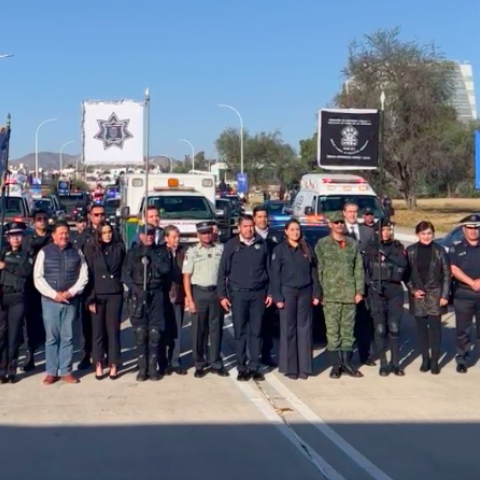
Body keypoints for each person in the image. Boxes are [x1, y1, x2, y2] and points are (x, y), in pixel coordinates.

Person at [217, 215, 273, 382]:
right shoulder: (231, 246)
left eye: (251, 226)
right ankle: (242, 367)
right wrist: (222, 295)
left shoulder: (261, 244)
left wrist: (270, 293)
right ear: (239, 228)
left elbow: (269, 271)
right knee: (240, 332)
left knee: (256, 332)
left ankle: (255, 366)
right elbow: (222, 272)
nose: (249, 229)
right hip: (238, 294)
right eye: (246, 226)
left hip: (258, 294)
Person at [33, 221, 89, 384]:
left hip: (70, 300)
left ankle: (65, 370)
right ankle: (51, 371)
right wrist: (53, 294)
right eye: (61, 233)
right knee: (51, 337)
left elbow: (83, 275)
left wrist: (70, 292)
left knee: (68, 336)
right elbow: (38, 277)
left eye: (66, 233)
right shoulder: (44, 252)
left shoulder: (76, 251)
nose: (64, 236)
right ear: (54, 236)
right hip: (50, 301)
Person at [315, 211, 364, 379]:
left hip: (349, 295)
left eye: (341, 222)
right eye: (336, 223)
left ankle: (347, 364)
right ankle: (335, 365)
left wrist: (359, 291)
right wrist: (320, 292)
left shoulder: (352, 244)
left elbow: (358, 268)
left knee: (348, 332)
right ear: (330, 225)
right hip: (330, 296)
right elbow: (319, 269)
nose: (339, 225)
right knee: (332, 332)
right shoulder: (322, 244)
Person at [271, 219, 322, 380]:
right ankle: (290, 368)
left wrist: (316, 293)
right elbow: (275, 275)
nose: (295, 232)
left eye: (297, 229)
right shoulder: (280, 250)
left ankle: (304, 368)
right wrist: (277, 296)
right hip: (288, 293)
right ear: (286, 232)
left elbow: (314, 273)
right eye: (292, 230)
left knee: (304, 329)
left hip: (305, 292)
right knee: (288, 329)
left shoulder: (306, 248)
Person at [122, 224, 171, 381]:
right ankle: (142, 369)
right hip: (138, 295)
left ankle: (153, 368)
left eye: (151, 234)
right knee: (140, 332)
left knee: (155, 333)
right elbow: (125, 275)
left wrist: (152, 255)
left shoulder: (161, 252)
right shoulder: (133, 253)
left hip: (156, 294)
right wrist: (135, 289)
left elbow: (165, 269)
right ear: (140, 236)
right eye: (145, 234)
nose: (149, 236)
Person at [183, 222, 227, 378]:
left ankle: (215, 362)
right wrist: (189, 299)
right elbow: (187, 277)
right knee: (198, 331)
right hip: (199, 293)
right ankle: (199, 364)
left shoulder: (220, 249)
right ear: (198, 235)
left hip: (216, 293)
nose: (206, 236)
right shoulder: (192, 251)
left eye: (208, 232)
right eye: (203, 233)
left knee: (216, 330)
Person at [365, 221, 408, 376]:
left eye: (388, 229)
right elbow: (363, 269)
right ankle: (383, 363)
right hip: (377, 291)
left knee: (394, 327)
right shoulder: (371, 247)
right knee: (380, 329)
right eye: (383, 230)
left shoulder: (398, 247)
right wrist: (369, 284)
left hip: (395, 290)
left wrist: (387, 253)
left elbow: (403, 263)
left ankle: (395, 363)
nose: (386, 232)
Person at [84, 221, 126, 380]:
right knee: (98, 332)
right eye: (104, 232)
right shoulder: (92, 250)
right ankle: (99, 363)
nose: (108, 235)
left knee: (113, 330)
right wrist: (91, 299)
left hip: (115, 293)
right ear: (99, 234)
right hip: (98, 294)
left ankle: (114, 363)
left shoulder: (119, 248)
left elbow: (123, 268)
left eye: (110, 232)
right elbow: (90, 275)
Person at [343, 201, 376, 366]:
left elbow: (373, 257)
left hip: (365, 284)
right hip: (345, 285)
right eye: (349, 212)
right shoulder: (339, 232)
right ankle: (346, 360)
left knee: (364, 322)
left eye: (355, 212)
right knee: (347, 323)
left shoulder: (368, 232)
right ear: (344, 213)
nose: (352, 215)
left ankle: (365, 355)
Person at [0, 222, 33, 383]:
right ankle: (2, 368)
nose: (15, 239)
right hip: (2, 297)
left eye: (18, 235)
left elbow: (25, 271)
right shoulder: (2, 252)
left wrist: (6, 265)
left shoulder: (26, 254)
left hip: (17, 297)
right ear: (8, 238)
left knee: (14, 336)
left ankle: (12, 368)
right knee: (1, 335)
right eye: (12, 236)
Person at [447, 215, 480, 374]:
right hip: (464, 294)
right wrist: (472, 282)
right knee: (463, 330)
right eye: (470, 228)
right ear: (464, 229)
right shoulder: (456, 247)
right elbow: (453, 269)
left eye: (476, 227)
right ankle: (462, 359)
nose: (474, 231)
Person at [77, 203, 107, 371]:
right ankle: (87, 355)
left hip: (106, 285)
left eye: (102, 214)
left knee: (107, 324)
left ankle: (107, 355)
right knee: (88, 324)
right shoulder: (84, 236)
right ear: (90, 216)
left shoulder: (111, 232)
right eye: (96, 215)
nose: (100, 217)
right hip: (88, 284)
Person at [22, 209, 52, 372]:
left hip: (49, 283)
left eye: (44, 219)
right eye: (39, 219)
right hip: (30, 284)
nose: (42, 221)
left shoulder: (51, 238)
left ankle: (51, 357)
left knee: (49, 322)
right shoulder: (27, 239)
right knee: (29, 321)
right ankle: (30, 354)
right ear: (34, 222)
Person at [253, 205, 280, 367]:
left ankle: (267, 354)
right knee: (254, 324)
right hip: (255, 285)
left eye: (265, 216)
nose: (263, 220)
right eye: (260, 217)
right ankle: (254, 354)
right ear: (254, 218)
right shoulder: (249, 234)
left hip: (271, 284)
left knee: (268, 322)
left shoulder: (276, 236)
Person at [160, 225, 188, 376]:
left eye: (178, 237)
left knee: (177, 330)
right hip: (163, 296)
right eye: (173, 237)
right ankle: (163, 362)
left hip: (178, 295)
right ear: (166, 238)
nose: (177, 240)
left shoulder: (184, 252)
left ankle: (175, 361)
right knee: (164, 331)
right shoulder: (160, 252)